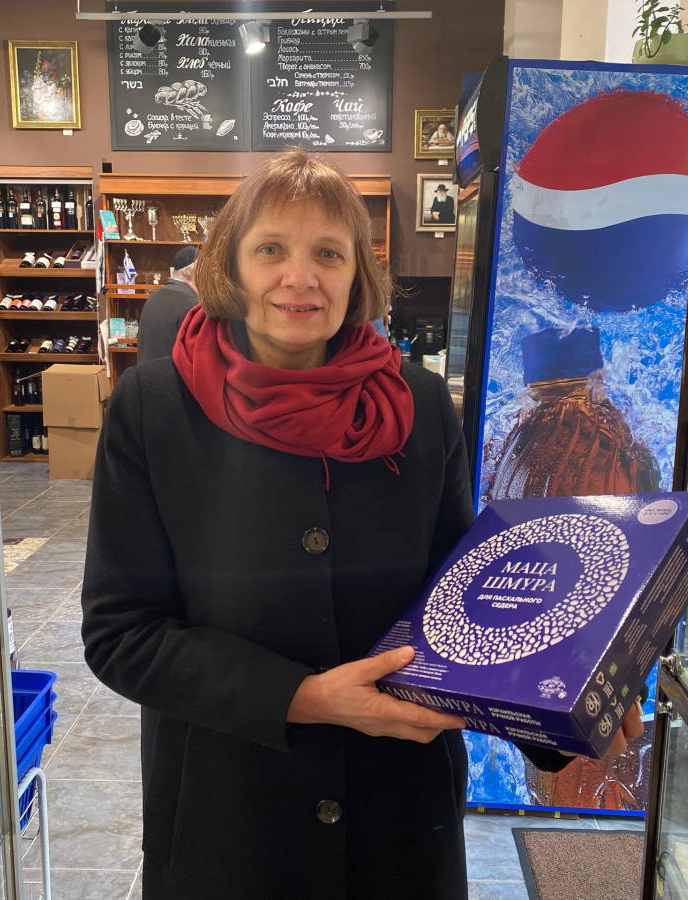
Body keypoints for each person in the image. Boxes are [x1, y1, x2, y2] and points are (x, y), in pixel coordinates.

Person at [81, 149, 643, 900]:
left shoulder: (419, 406)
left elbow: (465, 603)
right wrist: (307, 697)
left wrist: (563, 697)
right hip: (231, 815)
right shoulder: (153, 409)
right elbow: (122, 634)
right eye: (271, 249)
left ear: (357, 275)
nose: (300, 277)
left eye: (328, 253)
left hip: (400, 811)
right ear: (231, 266)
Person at [137, 245, 199, 363]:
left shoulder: (154, 298)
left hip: (147, 374)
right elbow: (196, 358)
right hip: (171, 375)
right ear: (195, 272)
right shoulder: (190, 303)